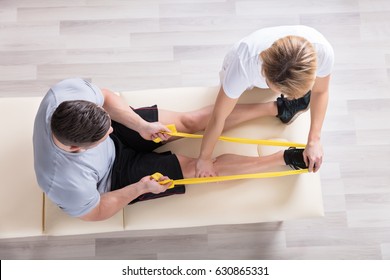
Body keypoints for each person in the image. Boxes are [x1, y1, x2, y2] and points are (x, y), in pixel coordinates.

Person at [33, 78, 307, 222]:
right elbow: (95, 212)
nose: (111, 132)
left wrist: (141, 125)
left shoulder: (66, 95)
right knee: (196, 168)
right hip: (114, 177)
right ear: (74, 148)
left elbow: (104, 96)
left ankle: (280, 108)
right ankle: (285, 157)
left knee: (189, 122)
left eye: (108, 127)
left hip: (123, 131)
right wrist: (140, 189)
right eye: (104, 135)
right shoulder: (63, 181)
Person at [196, 25, 334, 177]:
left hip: (276, 72)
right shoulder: (242, 66)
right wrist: (204, 158)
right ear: (265, 74)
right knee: (211, 117)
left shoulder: (322, 52)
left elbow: (321, 91)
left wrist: (314, 140)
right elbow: (218, 117)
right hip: (246, 72)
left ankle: (282, 108)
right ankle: (280, 108)